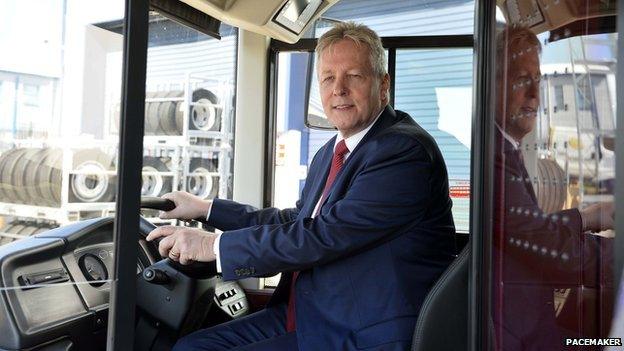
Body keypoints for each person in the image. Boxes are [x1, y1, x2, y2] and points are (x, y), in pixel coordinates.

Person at [147, 21, 456, 351]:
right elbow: (295, 222)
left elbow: (323, 235)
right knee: (191, 347)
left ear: (383, 86)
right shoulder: (333, 151)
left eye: (353, 76)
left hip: (361, 331)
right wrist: (205, 208)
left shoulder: (402, 152)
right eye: (328, 78)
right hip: (314, 314)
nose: (338, 89)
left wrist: (215, 247)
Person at [492, 26, 615, 350]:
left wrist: (586, 218)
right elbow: (545, 246)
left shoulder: (504, 148)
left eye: (538, 79)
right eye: (521, 79)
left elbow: (529, 229)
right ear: (492, 84)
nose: (535, 93)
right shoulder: (493, 158)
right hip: (518, 334)